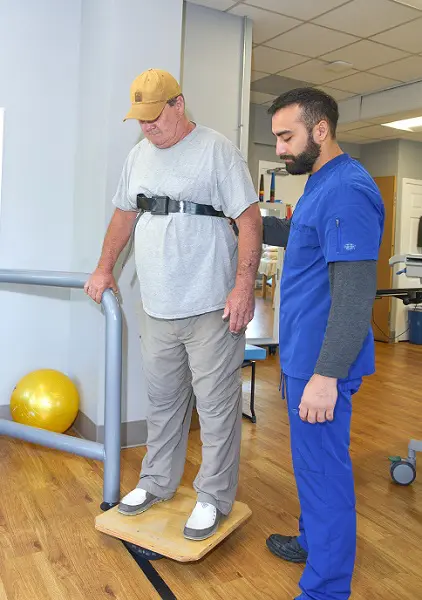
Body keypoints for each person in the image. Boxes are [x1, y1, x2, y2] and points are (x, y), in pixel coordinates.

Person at [84, 68, 262, 541]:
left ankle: (213, 498)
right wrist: (104, 268)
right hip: (158, 304)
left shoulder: (215, 149)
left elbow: (248, 220)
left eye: (154, 117)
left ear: (178, 105)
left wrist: (243, 287)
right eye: (139, 119)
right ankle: (157, 482)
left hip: (211, 305)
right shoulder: (138, 156)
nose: (147, 127)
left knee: (217, 406)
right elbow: (123, 216)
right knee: (162, 403)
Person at [262, 88, 385, 600]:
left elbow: (356, 295)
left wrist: (326, 375)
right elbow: (308, 243)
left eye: (287, 137)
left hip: (321, 364)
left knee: (324, 471)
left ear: (320, 130)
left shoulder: (348, 190)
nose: (280, 149)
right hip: (303, 356)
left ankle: (326, 589)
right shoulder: (317, 182)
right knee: (311, 467)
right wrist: (253, 223)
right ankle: (316, 542)